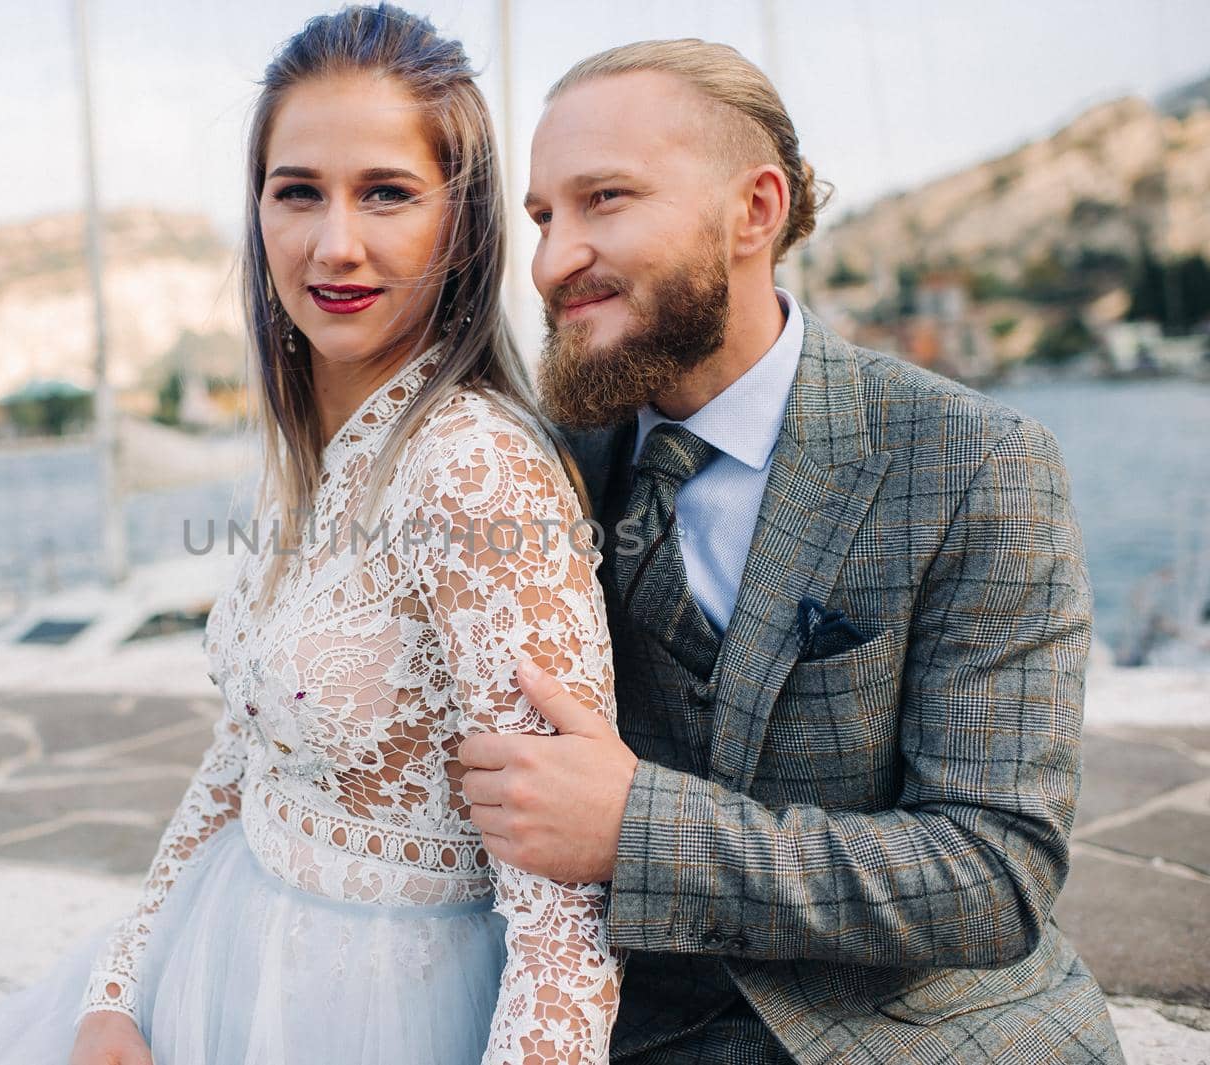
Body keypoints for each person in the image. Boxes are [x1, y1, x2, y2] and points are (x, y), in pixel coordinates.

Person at [0, 7, 621, 1065]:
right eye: (297, 191)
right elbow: (242, 760)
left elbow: (563, 918)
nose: (335, 243)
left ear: (460, 225)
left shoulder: (473, 467)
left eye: (386, 194)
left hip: (381, 1016)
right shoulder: (315, 455)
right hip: (221, 959)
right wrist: (120, 984)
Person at [456, 40, 1125, 1064]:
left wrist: (639, 828)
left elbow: (994, 875)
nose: (551, 261)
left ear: (754, 210)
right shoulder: (540, 465)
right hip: (640, 1028)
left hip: (921, 1030)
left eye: (605, 200)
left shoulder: (974, 463)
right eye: (544, 217)